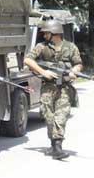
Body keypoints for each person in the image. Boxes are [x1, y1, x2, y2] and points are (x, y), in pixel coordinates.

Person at [24, 18, 83, 160]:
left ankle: (58, 147)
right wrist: (44, 72)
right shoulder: (42, 47)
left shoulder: (71, 47)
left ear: (54, 32)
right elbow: (28, 60)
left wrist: (74, 71)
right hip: (48, 87)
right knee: (48, 115)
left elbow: (78, 64)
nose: (44, 35)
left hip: (64, 88)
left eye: (46, 33)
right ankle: (53, 143)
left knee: (61, 116)